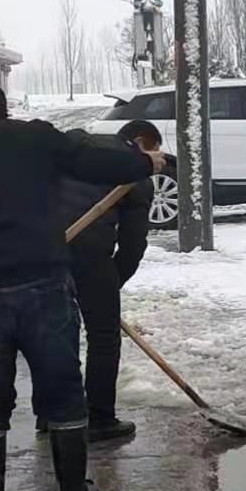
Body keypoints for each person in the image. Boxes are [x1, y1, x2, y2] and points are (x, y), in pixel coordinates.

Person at [0, 81, 164, 491]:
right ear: (4, 110)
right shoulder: (35, 137)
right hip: (43, 288)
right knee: (63, 390)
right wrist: (143, 161)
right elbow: (93, 158)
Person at [48, 119, 163, 443]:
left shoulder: (80, 148)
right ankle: (100, 418)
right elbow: (132, 244)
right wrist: (112, 282)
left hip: (44, 250)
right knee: (103, 337)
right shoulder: (135, 174)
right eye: (152, 153)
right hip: (90, 256)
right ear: (141, 143)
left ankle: (52, 415)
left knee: (54, 334)